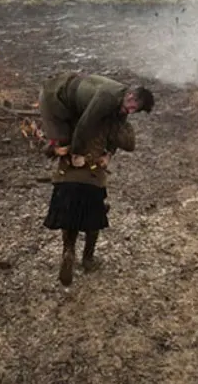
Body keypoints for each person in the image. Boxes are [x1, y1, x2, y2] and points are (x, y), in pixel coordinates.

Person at [44, 119, 135, 286]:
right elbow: (128, 143)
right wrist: (108, 154)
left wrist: (57, 150)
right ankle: (88, 258)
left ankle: (69, 250)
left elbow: (47, 149)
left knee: (69, 218)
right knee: (93, 221)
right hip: (92, 181)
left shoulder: (66, 118)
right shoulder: (104, 118)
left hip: (65, 180)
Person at [38, 72, 154, 168]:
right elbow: (85, 124)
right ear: (130, 96)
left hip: (77, 103)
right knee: (64, 141)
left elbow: (116, 128)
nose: (131, 111)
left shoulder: (123, 103)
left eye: (136, 111)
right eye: (133, 107)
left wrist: (109, 154)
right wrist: (77, 153)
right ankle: (50, 150)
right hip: (55, 97)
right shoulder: (107, 98)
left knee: (84, 139)